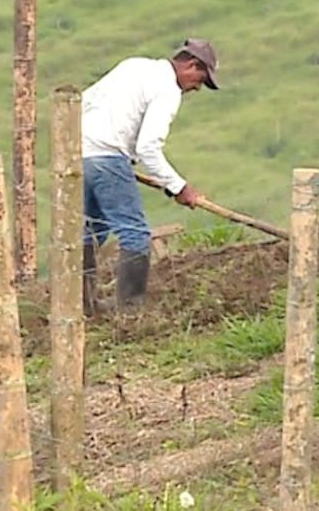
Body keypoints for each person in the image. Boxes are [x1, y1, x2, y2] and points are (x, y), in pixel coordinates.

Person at [80, 37, 220, 314]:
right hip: (109, 156)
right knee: (135, 233)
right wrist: (180, 187)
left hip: (80, 155)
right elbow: (148, 147)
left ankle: (82, 305)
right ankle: (130, 311)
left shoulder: (133, 66)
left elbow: (85, 102)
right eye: (200, 81)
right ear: (191, 65)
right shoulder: (168, 89)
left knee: (90, 231)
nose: (196, 88)